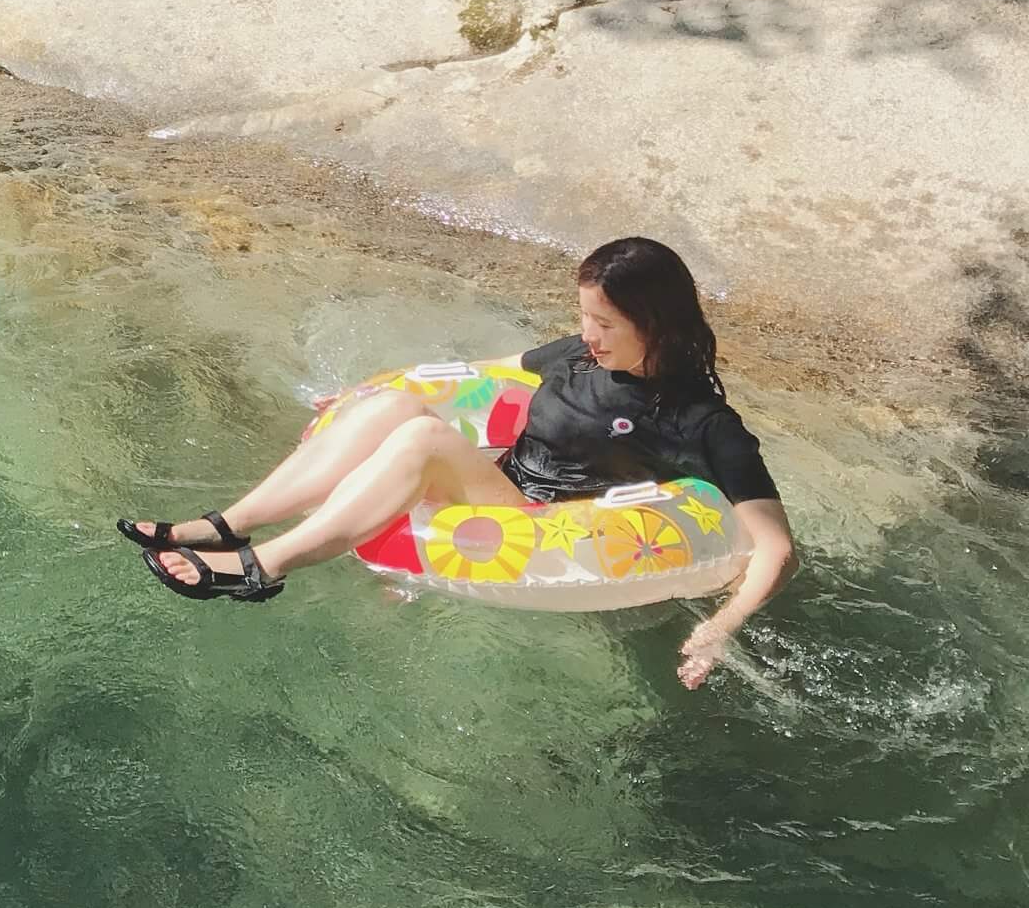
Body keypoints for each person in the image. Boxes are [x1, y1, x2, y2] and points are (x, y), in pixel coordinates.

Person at [117, 237, 798, 687]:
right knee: (395, 417)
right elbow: (480, 376)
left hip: (550, 526)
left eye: (605, 324)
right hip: (501, 487)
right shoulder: (577, 354)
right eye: (585, 318)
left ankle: (265, 568)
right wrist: (363, 400)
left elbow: (774, 548)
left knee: (423, 444)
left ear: (658, 324)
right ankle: (226, 526)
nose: (588, 337)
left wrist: (717, 631)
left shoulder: (701, 422)